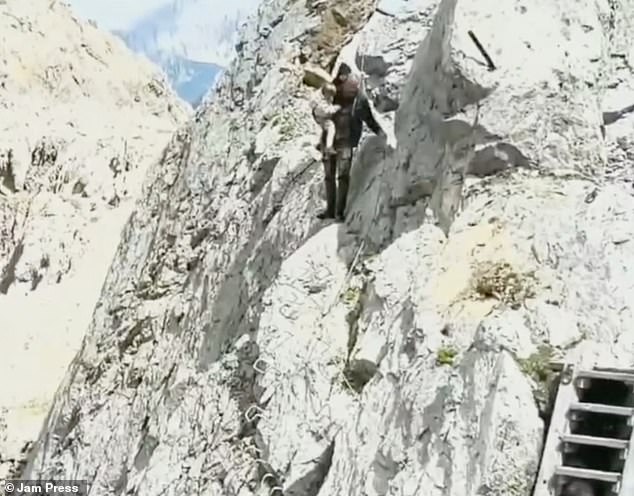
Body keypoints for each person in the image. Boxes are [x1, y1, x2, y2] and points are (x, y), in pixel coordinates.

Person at [317, 63, 385, 221]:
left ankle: (330, 211)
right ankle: (339, 213)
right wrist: (380, 132)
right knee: (343, 177)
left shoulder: (330, 93)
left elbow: (319, 113)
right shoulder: (357, 95)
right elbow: (368, 118)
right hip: (346, 141)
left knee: (329, 177)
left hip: (329, 141)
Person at [311, 82, 340, 157]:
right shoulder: (320, 102)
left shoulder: (321, 92)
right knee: (331, 126)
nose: (331, 97)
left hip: (318, 113)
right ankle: (328, 147)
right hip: (319, 117)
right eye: (330, 96)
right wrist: (335, 108)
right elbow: (325, 111)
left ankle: (323, 147)